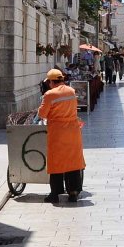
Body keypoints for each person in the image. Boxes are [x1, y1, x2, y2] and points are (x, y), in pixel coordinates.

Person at [37, 69, 86, 204]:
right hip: (73, 131)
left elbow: (42, 114)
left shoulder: (49, 94)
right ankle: (73, 192)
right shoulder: (71, 91)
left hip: (58, 132)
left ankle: (55, 194)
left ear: (51, 82)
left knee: (56, 162)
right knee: (72, 161)